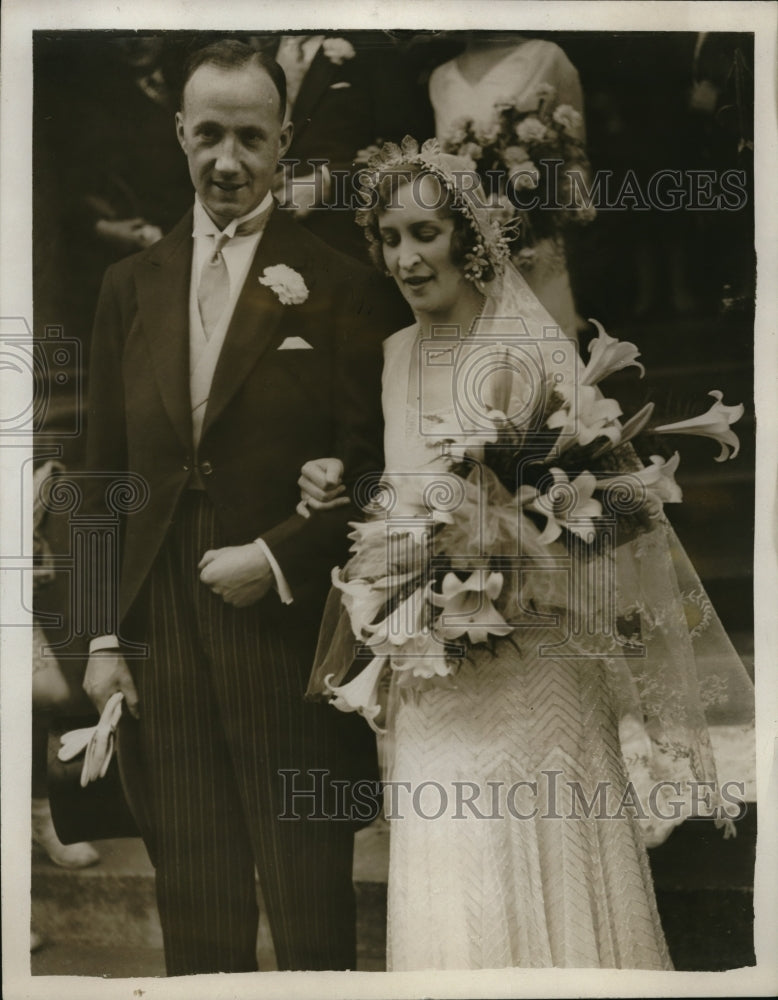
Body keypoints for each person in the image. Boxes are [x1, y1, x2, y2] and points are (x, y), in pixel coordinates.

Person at [299, 139, 754, 970]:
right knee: (452, 879)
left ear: (468, 238)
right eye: (390, 236)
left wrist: (509, 546)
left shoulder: (529, 348)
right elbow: (395, 492)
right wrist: (385, 535)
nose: (406, 256)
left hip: (535, 665)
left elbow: (610, 518)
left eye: (426, 233)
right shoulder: (393, 354)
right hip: (435, 679)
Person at [80, 40, 407, 975]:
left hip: (291, 644)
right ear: (180, 131)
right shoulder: (126, 288)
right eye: (210, 134)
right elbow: (101, 476)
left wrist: (275, 558)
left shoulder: (344, 283)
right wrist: (102, 640)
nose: (228, 160)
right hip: (159, 643)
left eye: (251, 138)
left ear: (285, 141)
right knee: (197, 909)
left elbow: (378, 473)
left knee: (310, 909)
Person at [428, 33, 586, 340]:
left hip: (534, 233)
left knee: (546, 342)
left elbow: (575, 153)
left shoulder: (547, 56)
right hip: (470, 240)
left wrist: (546, 206)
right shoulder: (441, 77)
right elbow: (442, 165)